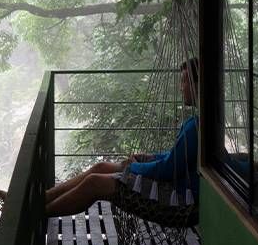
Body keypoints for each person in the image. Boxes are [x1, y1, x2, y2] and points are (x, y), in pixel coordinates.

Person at [45, 60, 200, 217]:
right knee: (101, 167)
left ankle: (40, 214)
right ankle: (46, 197)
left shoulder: (195, 128)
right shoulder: (197, 123)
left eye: (184, 81)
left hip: (179, 199)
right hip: (176, 184)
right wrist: (150, 157)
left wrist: (133, 168)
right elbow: (177, 158)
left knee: (94, 183)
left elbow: (169, 169)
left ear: (198, 84)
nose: (181, 88)